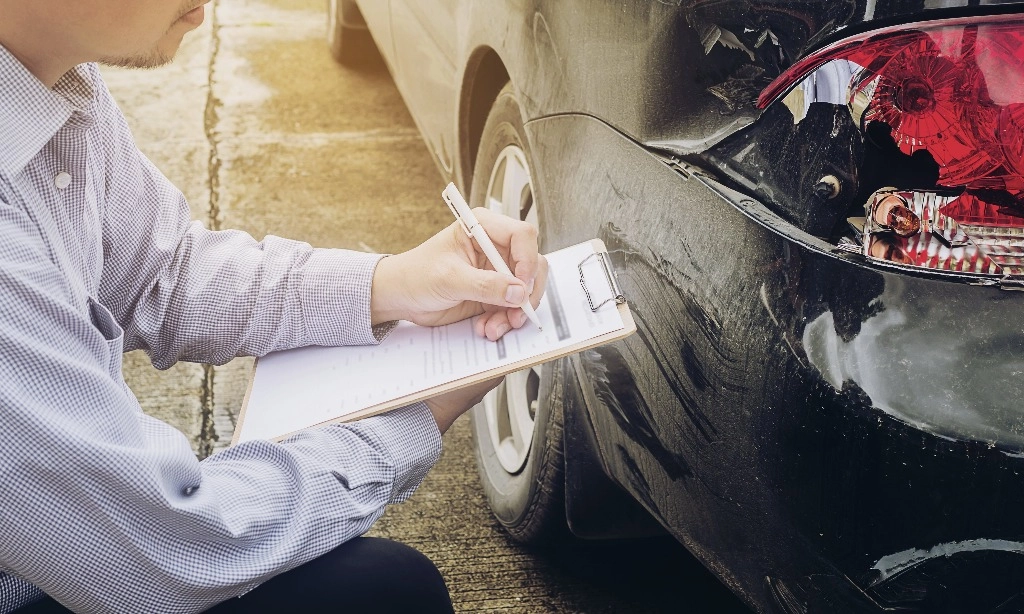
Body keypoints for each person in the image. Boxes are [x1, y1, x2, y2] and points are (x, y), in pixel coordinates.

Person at [0, 0, 547, 612]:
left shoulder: (54, 85)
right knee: (389, 595)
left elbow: (164, 273)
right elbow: (167, 550)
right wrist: (407, 418)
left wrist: (391, 284)